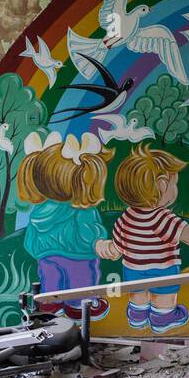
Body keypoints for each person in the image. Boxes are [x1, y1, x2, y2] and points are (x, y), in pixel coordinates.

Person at [16, 132, 119, 321]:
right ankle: (78, 307)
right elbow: (88, 234)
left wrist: (45, 252)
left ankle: (52, 307)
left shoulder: (39, 211)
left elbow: (30, 242)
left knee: (52, 288)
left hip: (46, 259)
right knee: (81, 287)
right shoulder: (81, 209)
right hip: (79, 259)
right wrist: (99, 244)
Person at [111, 143, 189, 333]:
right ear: (163, 185)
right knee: (164, 294)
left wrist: (111, 249)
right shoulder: (161, 217)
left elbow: (119, 244)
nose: (175, 188)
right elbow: (181, 231)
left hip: (132, 269)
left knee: (138, 293)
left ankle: (137, 316)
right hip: (162, 269)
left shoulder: (126, 217)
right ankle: (162, 317)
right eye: (175, 184)